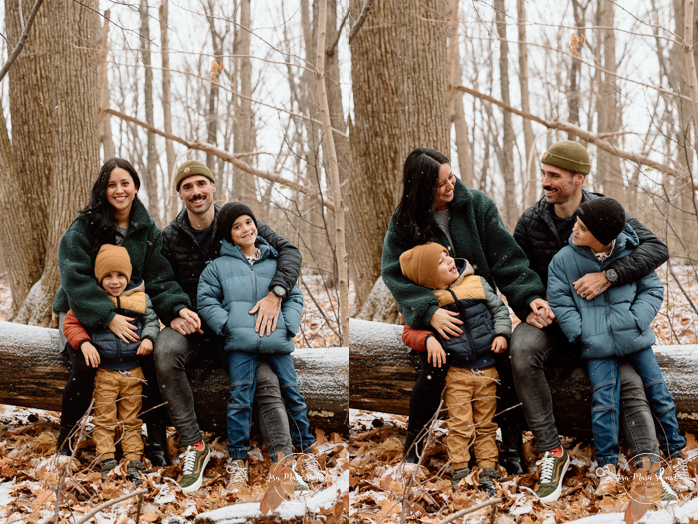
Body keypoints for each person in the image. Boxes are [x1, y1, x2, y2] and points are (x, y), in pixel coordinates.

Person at [511, 140, 672, 503]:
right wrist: (528, 302)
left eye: (554, 175)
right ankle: (553, 452)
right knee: (521, 348)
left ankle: (648, 469)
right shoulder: (530, 221)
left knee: (628, 381)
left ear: (579, 178)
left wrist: (610, 276)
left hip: (604, 324)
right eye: (543, 173)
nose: (545, 181)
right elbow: (517, 271)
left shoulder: (604, 212)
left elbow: (656, 249)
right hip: (554, 321)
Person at [381, 147, 549, 475]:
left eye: (451, 177)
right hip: (439, 316)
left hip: (481, 312)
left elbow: (506, 259)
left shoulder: (476, 205)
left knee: (507, 366)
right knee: (433, 370)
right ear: (420, 188)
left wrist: (528, 297)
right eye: (440, 183)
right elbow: (394, 274)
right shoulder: (403, 221)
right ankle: (412, 453)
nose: (450, 186)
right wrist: (427, 311)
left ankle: (512, 448)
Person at [155, 160, 314, 493]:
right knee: (165, 351)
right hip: (192, 326)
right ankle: (194, 447)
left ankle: (283, 464)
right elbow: (159, 281)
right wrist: (176, 310)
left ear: (213, 187)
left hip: (239, 329)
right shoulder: (169, 236)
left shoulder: (236, 220)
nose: (196, 192)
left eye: (201, 184)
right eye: (187, 187)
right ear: (180, 194)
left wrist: (276, 294)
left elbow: (288, 251)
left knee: (267, 380)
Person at [52, 158, 198, 467]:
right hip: (81, 311)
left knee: (151, 363)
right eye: (111, 184)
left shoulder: (146, 230)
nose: (119, 190)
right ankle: (65, 441)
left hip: (130, 313)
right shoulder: (86, 225)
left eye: (125, 183)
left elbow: (159, 278)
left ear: (135, 186)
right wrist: (106, 316)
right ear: (103, 190)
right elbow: (73, 275)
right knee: (86, 364)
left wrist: (176, 308)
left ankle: (156, 442)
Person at [547, 197, 693, 497]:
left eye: (583, 227)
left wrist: (635, 320)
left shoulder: (630, 252)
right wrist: (583, 333)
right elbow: (560, 300)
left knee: (660, 395)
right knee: (604, 403)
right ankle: (608, 468)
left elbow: (652, 288)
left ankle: (675, 458)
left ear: (603, 237)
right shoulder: (564, 260)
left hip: (635, 340)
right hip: (596, 345)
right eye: (577, 222)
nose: (574, 228)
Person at [197, 202, 316, 492]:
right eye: (237, 226)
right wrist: (228, 326)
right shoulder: (218, 267)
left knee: (293, 394)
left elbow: (295, 298)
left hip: (277, 343)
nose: (245, 229)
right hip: (240, 345)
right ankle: (237, 461)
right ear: (228, 234)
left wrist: (286, 326)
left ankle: (305, 452)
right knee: (240, 398)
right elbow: (206, 301)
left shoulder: (274, 263)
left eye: (248, 222)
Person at [399, 242, 512, 494]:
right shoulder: (426, 302)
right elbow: (408, 333)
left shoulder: (477, 283)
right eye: (440, 262)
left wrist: (503, 334)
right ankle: (460, 469)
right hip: (456, 374)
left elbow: (500, 310)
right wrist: (428, 339)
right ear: (428, 277)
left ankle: (487, 470)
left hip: (488, 369)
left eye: (447, 255)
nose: (450, 261)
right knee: (460, 424)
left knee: (486, 424)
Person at [63, 245, 160, 485]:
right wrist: (84, 343)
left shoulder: (139, 297)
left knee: (131, 419)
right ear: (99, 278)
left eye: (119, 275)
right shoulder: (92, 300)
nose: (114, 281)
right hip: (105, 372)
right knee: (104, 418)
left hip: (133, 371)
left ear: (128, 276)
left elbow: (151, 321)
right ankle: (107, 461)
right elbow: (71, 323)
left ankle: (133, 461)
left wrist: (148, 338)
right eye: (107, 276)